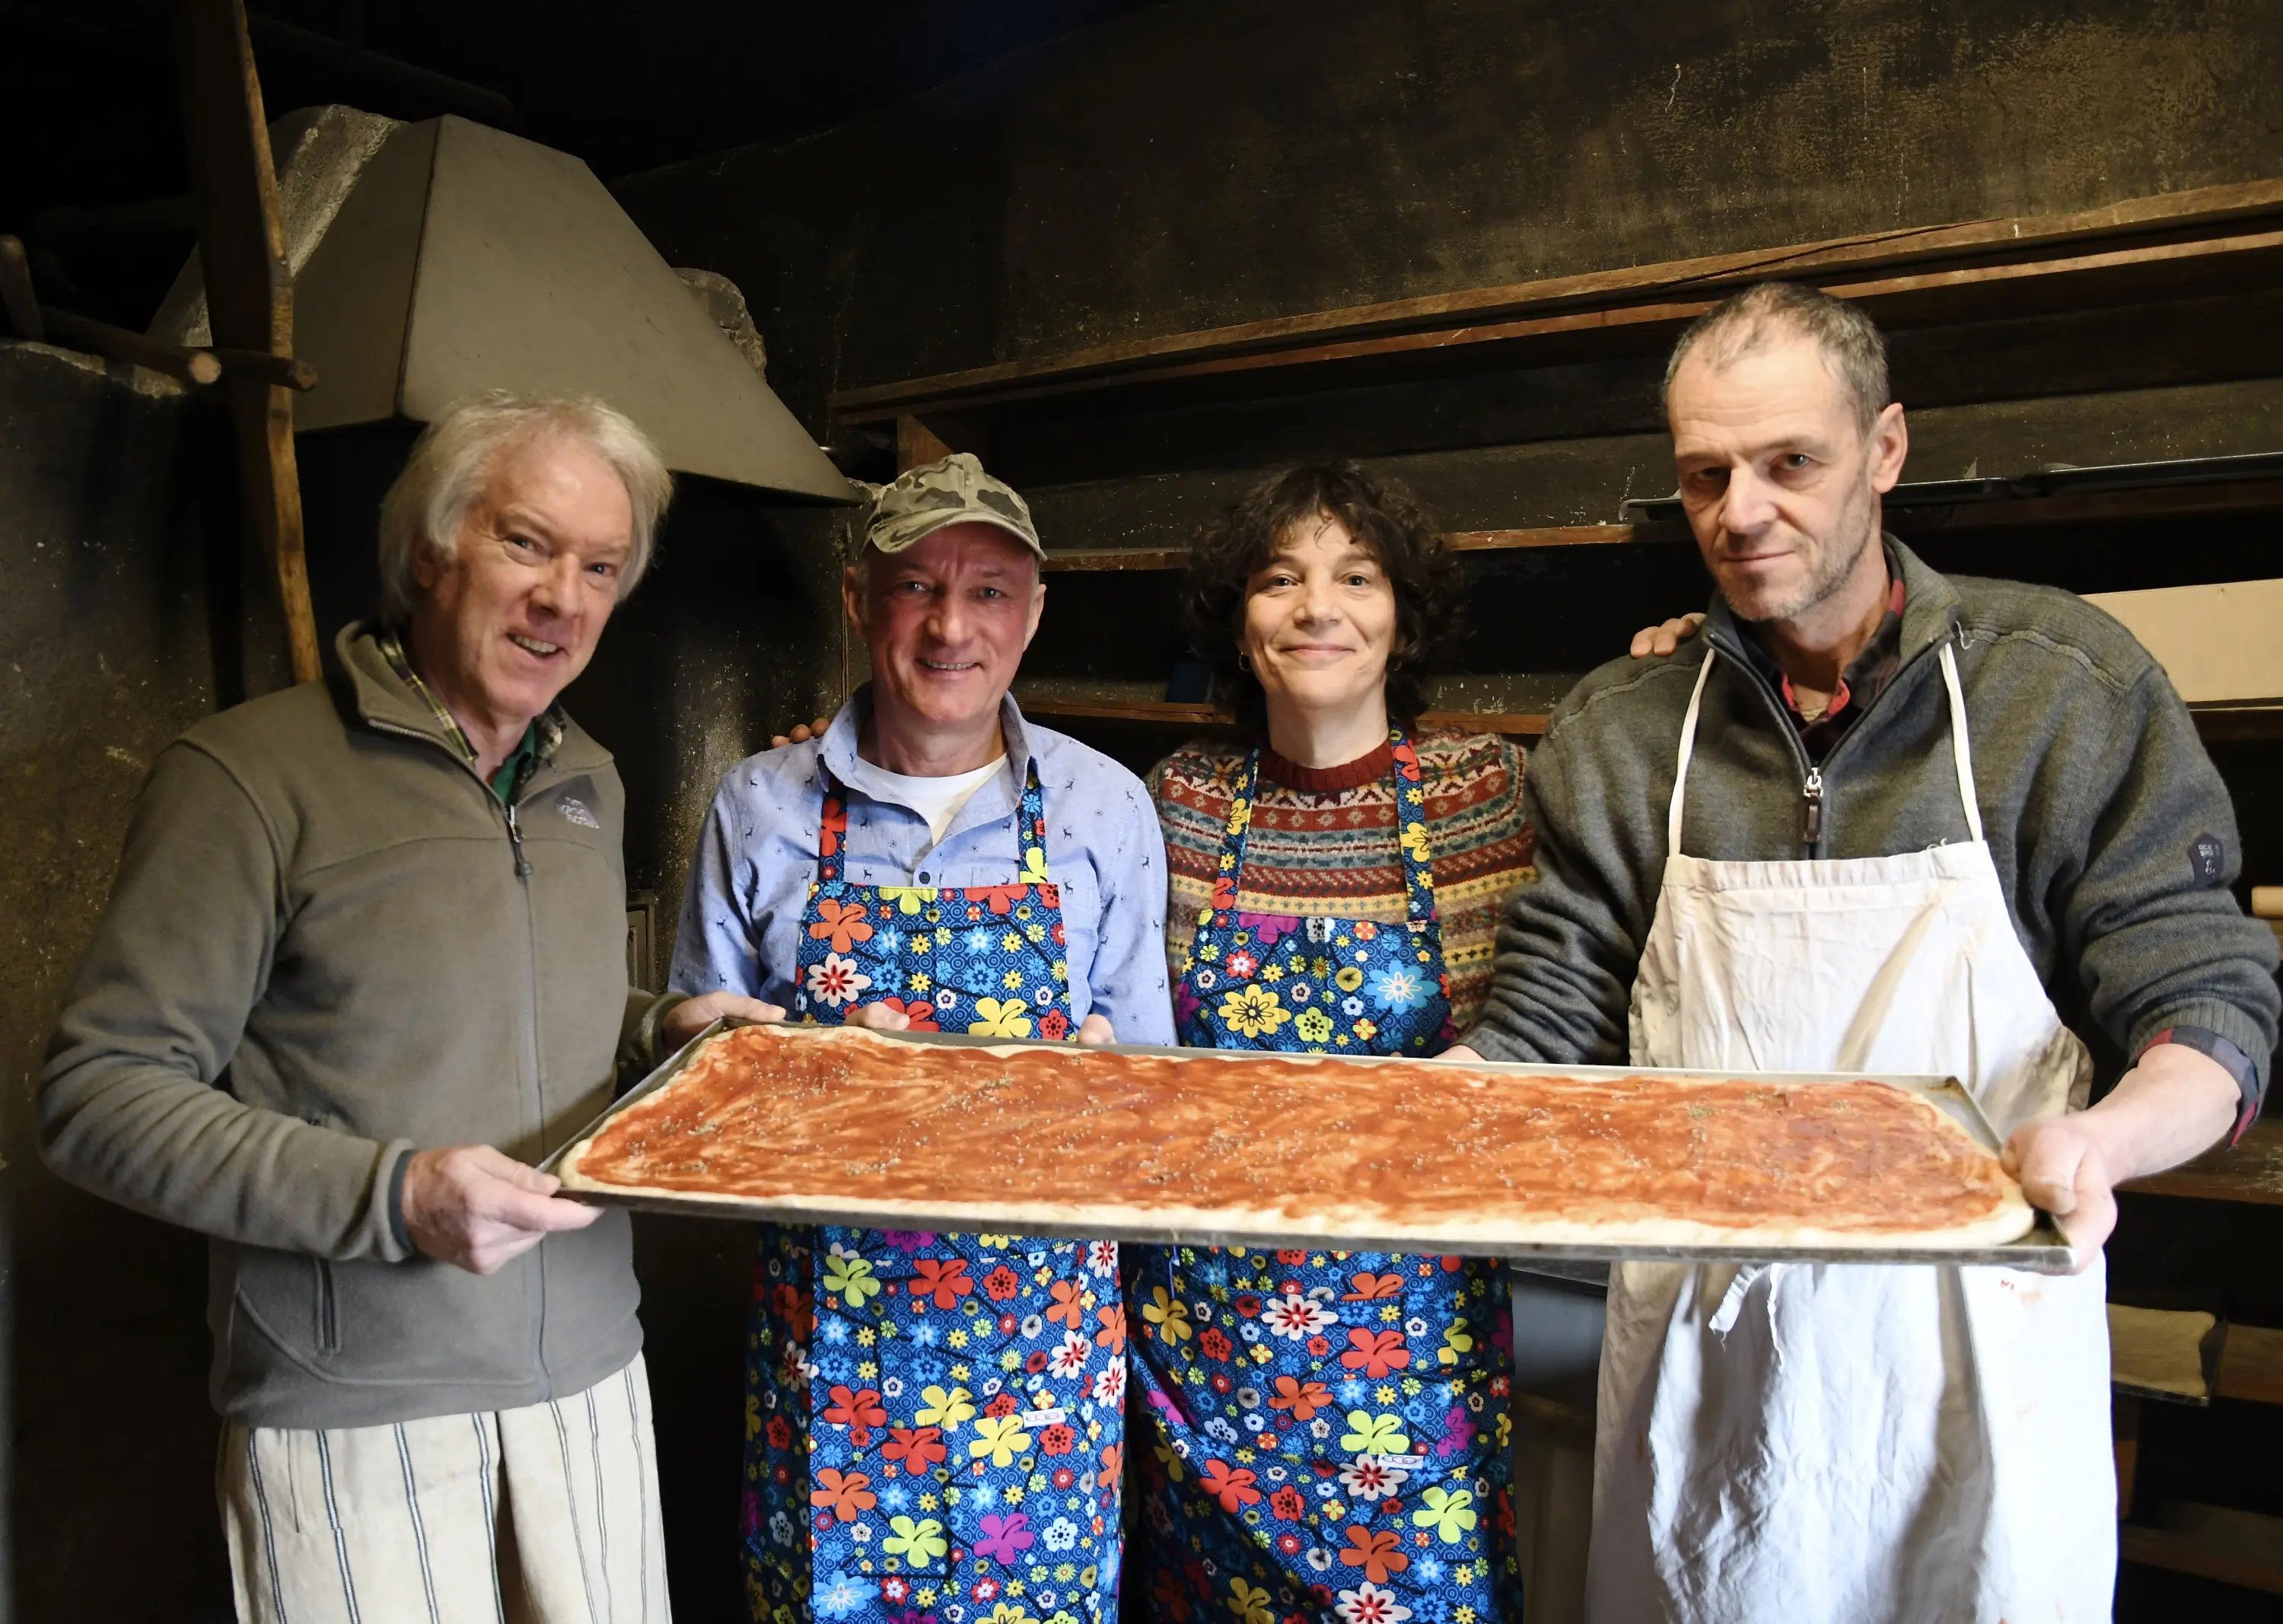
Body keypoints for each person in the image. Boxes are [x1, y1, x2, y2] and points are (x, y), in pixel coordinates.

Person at [1444, 282, 2280, 1622]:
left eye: (1791, 463)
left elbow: (2206, 992)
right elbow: (1556, 1003)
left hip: (1970, 1353)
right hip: (1706, 1367)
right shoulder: (1626, 726)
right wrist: (1435, 1107)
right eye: (1706, 474)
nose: (1742, 511)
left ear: (1886, 448)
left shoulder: (2058, 687)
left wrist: (2108, 1141)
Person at [41, 392, 717, 1622]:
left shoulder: (588, 776)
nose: (564, 597)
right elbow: (97, 1095)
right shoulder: (247, 776)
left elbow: (521, 1010)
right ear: (429, 547)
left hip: (591, 1386)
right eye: (526, 542)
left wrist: (659, 1029)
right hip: (356, 1405)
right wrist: (396, 1195)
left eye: (601, 566)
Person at [1129, 462, 1700, 1624]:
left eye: (1357, 576)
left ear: (1403, 617)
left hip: (1412, 1338)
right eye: (1279, 579)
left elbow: (1601, 943)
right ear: (1239, 625)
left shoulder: (1489, 790)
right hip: (1200, 1335)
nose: (1317, 607)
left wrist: (1680, 687)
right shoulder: (1177, 801)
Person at [668, 453, 1174, 1624]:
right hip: (832, 1358)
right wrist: (766, 1060)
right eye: (916, 587)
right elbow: (693, 1097)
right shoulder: (759, 804)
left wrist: (1098, 1093)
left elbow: (1154, 1106)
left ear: (1035, 612)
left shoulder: (1105, 807)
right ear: (858, 600)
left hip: (1040, 1371)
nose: (953, 626)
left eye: (991, 590)